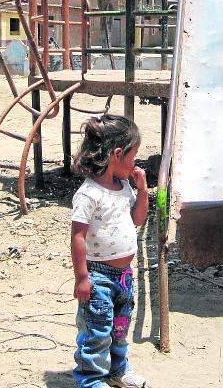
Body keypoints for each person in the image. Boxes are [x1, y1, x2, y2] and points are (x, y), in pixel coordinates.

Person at [71, 114, 149, 388]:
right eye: (133, 155)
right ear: (118, 154)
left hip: (124, 276)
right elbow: (77, 236)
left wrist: (142, 191)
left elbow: (137, 220)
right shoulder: (88, 194)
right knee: (97, 330)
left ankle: (117, 369)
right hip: (98, 277)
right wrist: (82, 278)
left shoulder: (124, 187)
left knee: (118, 327)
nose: (135, 162)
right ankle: (91, 379)